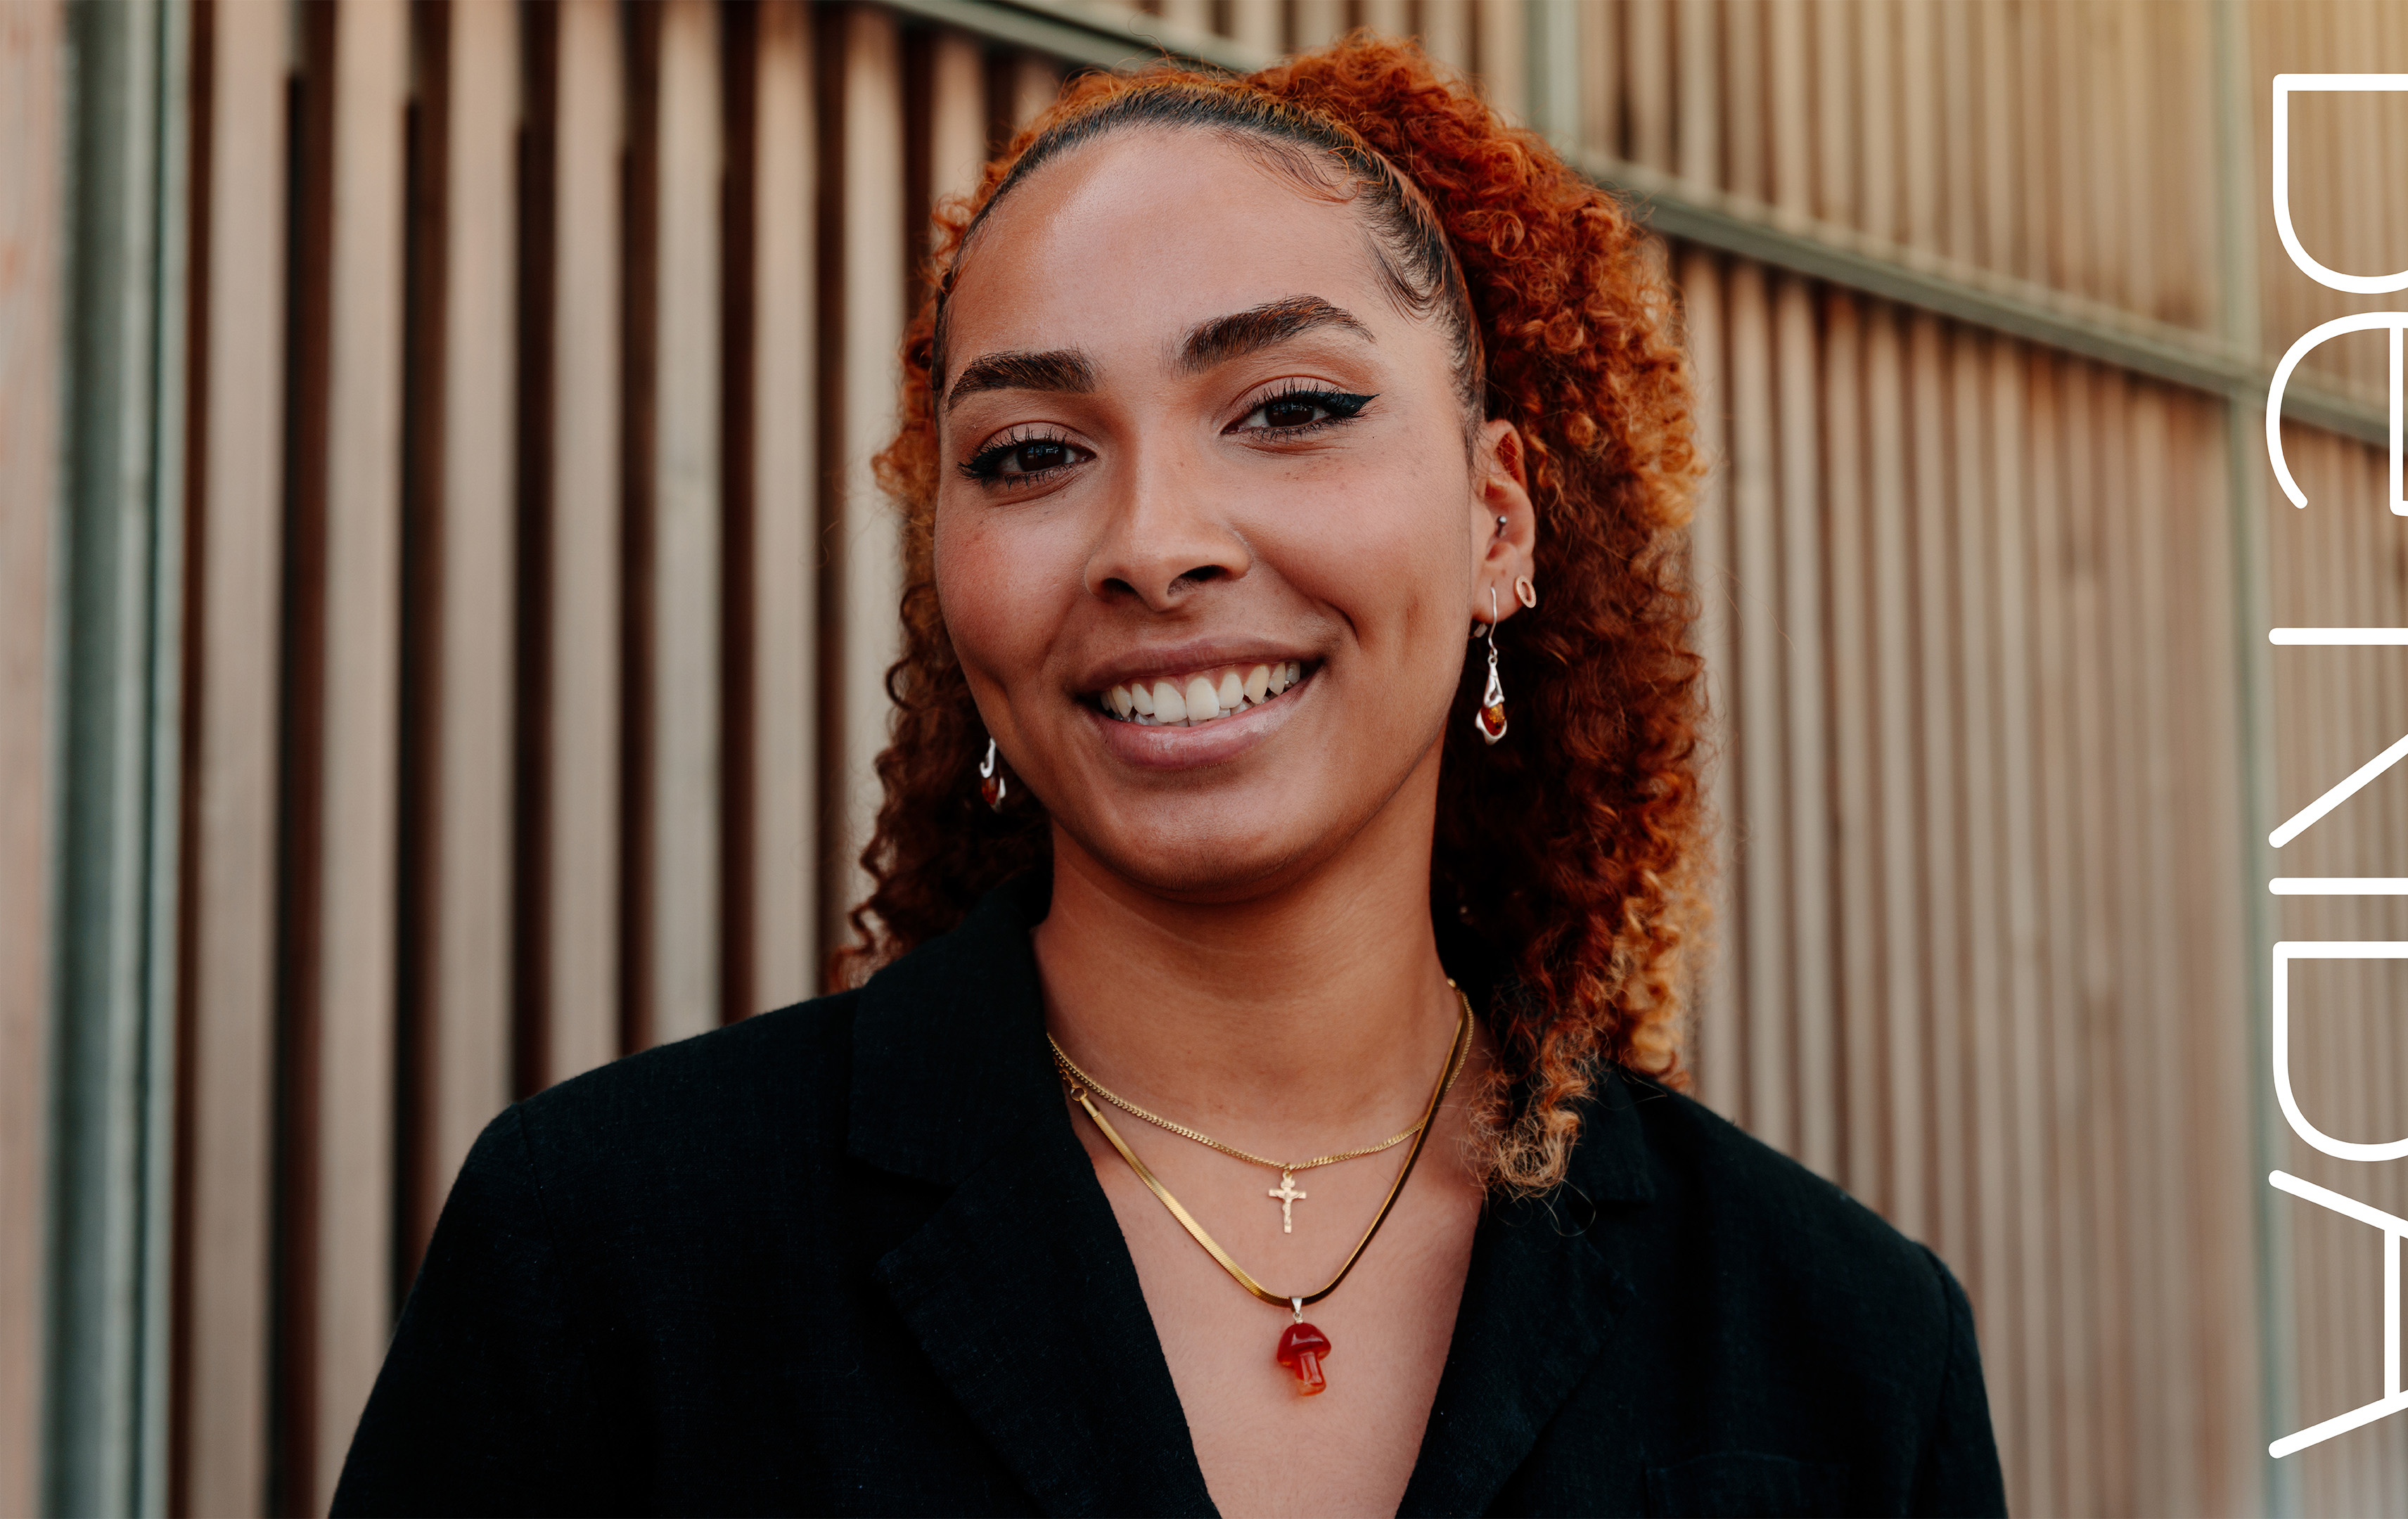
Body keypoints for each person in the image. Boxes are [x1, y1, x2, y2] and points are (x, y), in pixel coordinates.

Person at [334, 34, 2003, 1518]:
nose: (1151, 545)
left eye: (1286, 406)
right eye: (1034, 453)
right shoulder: (614, 1254)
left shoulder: (1846, 1344)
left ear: (1499, 520)